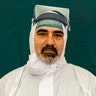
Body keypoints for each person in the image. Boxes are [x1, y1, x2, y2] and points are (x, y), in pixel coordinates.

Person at [0, 4, 96, 96]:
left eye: (57, 35)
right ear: (32, 37)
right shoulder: (8, 85)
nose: (50, 42)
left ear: (65, 40)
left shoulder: (87, 83)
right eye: (42, 34)